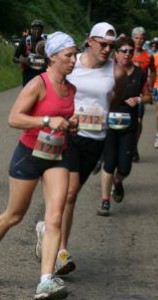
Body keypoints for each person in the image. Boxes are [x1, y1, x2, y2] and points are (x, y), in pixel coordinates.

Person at [35, 22, 126, 276]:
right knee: (70, 193)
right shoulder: (72, 64)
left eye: (111, 45)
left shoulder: (117, 72)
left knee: (71, 195)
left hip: (95, 139)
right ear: (89, 40)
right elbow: (53, 87)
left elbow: (114, 98)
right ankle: (61, 252)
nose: (107, 50)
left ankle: (47, 229)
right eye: (102, 44)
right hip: (67, 135)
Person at [1, 32, 77, 299]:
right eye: (68, 55)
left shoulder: (71, 88)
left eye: (74, 55)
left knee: (55, 215)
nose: (73, 60)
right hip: (29, 154)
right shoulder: (38, 83)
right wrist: (47, 120)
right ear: (53, 57)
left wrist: (71, 123)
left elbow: (64, 117)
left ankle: (46, 280)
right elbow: (14, 118)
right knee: (13, 215)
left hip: (58, 155)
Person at [98, 37, 152, 216]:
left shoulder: (140, 73)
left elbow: (148, 97)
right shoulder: (107, 71)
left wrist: (138, 99)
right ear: (117, 53)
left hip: (129, 126)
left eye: (130, 51)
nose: (128, 54)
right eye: (124, 51)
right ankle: (105, 201)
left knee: (124, 168)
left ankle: (118, 182)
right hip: (109, 124)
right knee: (108, 163)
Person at [131, 26, 155, 162]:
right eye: (136, 38)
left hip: (140, 92)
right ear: (132, 38)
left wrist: (150, 85)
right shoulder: (125, 52)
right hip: (125, 91)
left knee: (138, 121)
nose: (139, 41)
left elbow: (153, 71)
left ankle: (134, 146)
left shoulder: (149, 56)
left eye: (141, 38)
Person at [13, 19, 47, 86]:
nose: (36, 31)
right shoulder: (24, 41)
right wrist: (22, 61)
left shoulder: (46, 42)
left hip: (43, 75)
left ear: (42, 30)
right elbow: (14, 58)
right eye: (34, 29)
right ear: (31, 30)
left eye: (39, 29)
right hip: (28, 75)